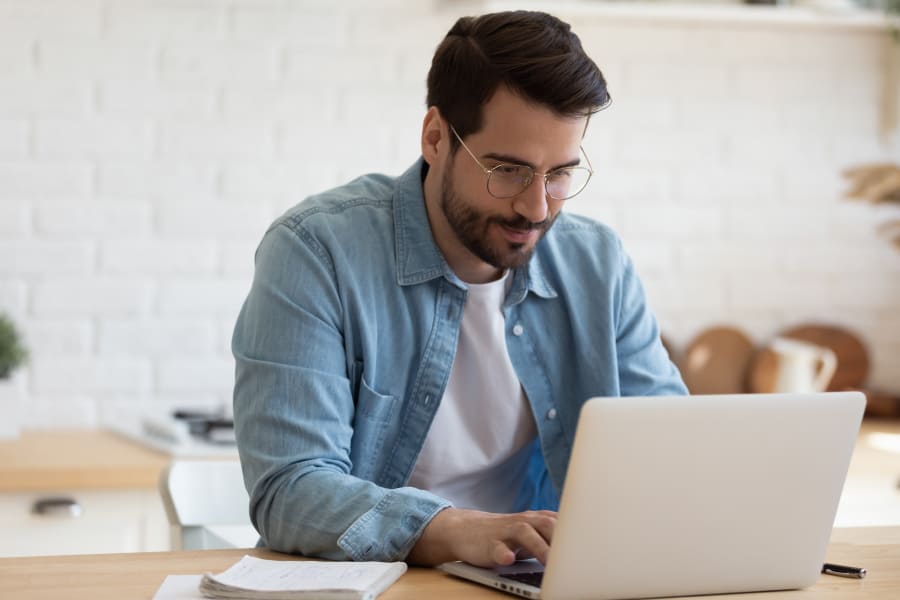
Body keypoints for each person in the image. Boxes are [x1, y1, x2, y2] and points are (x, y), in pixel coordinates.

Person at [232, 10, 686, 568]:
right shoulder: (317, 252)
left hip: (541, 582)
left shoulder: (597, 264)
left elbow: (672, 452)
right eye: (508, 170)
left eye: (559, 174)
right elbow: (290, 489)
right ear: (435, 138)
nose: (536, 207)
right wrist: (452, 530)